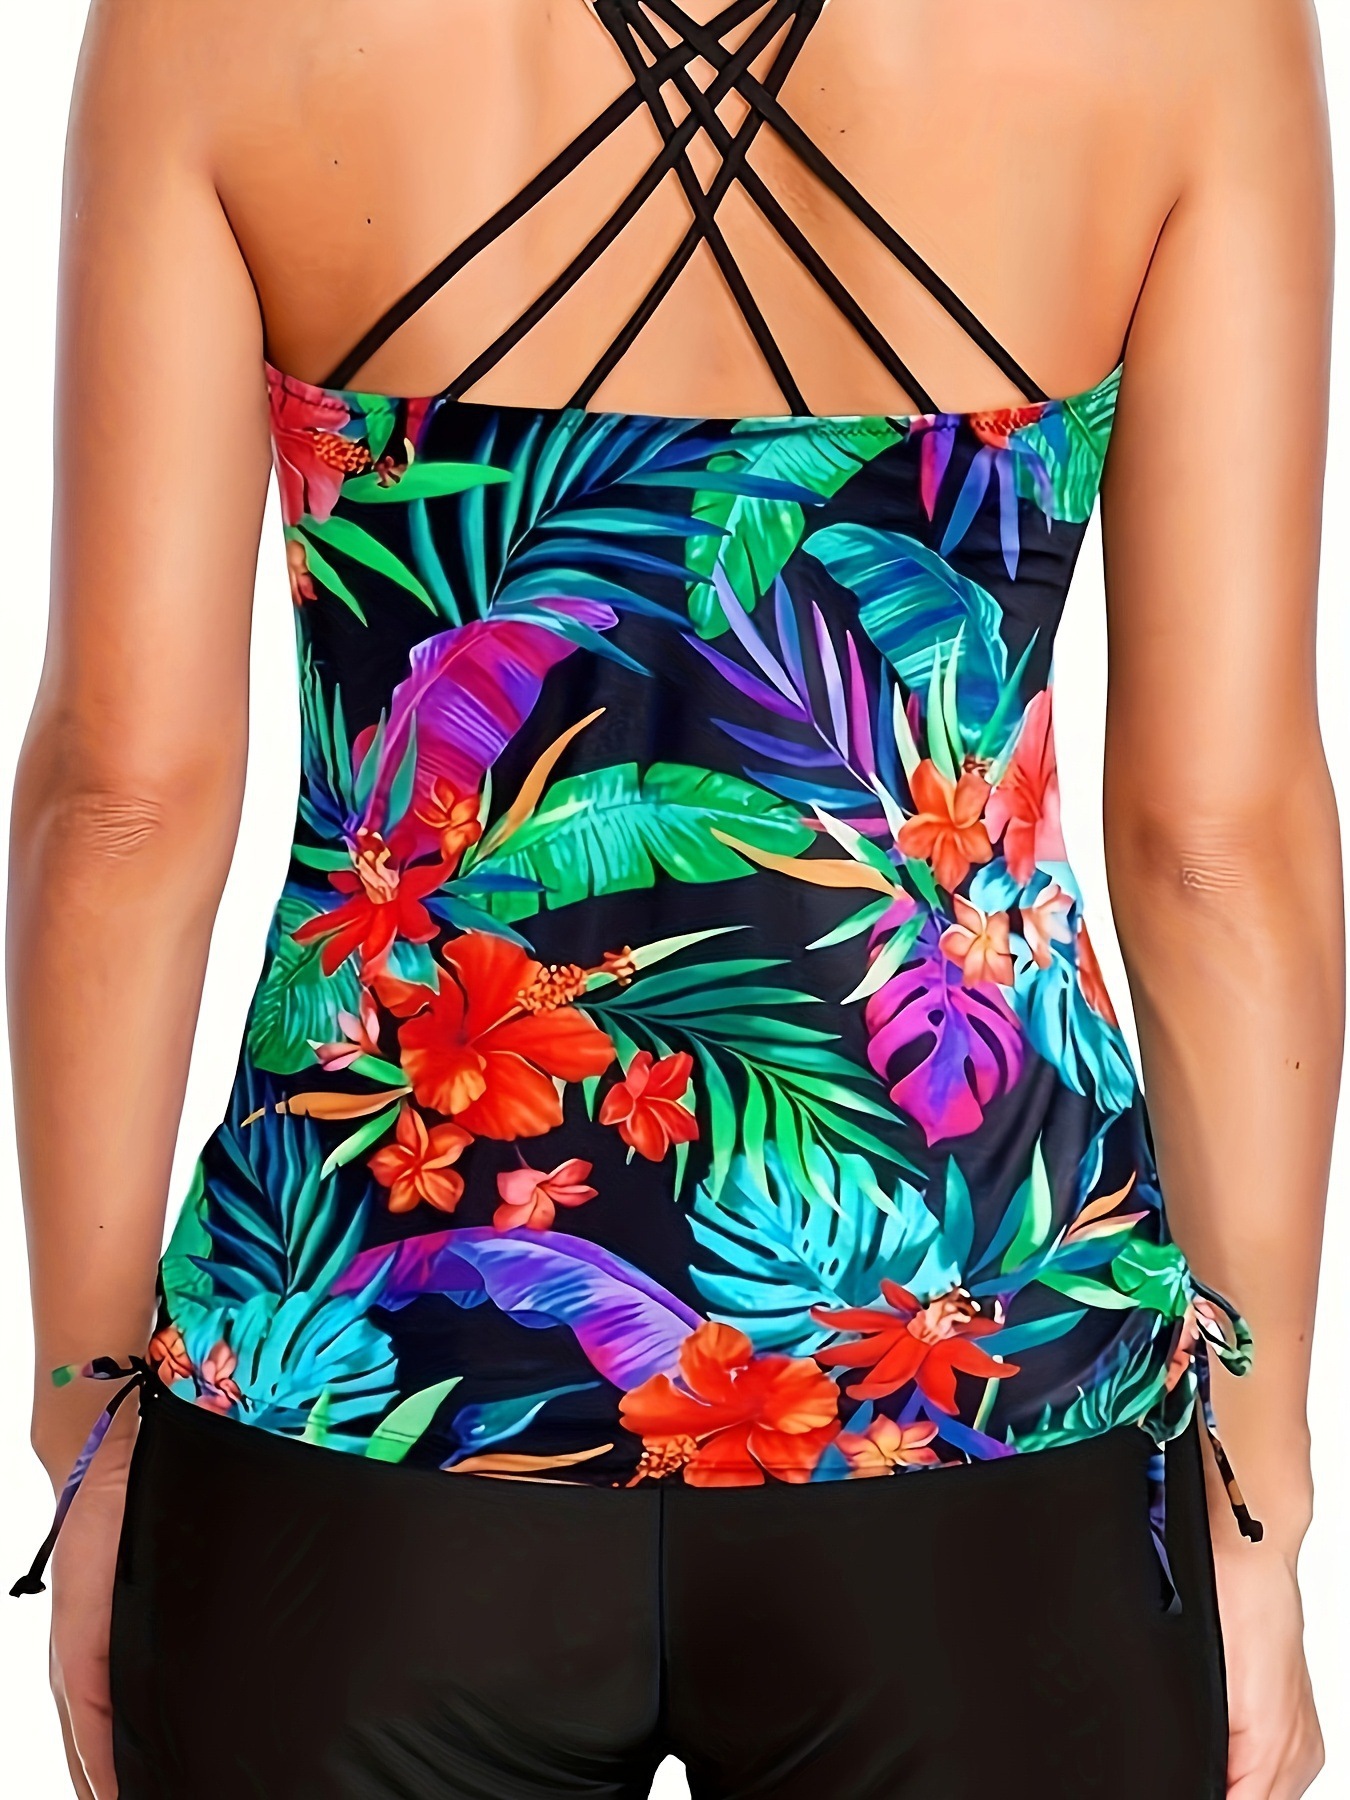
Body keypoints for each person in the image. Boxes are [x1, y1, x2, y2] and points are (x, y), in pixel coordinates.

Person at [9, 2, 1340, 1796]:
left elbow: (123, 799)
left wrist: (89, 1417)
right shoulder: (1185, 31)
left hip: (360, 1381)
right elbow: (1212, 841)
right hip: (980, 1388)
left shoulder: (216, 24)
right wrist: (1257, 1477)